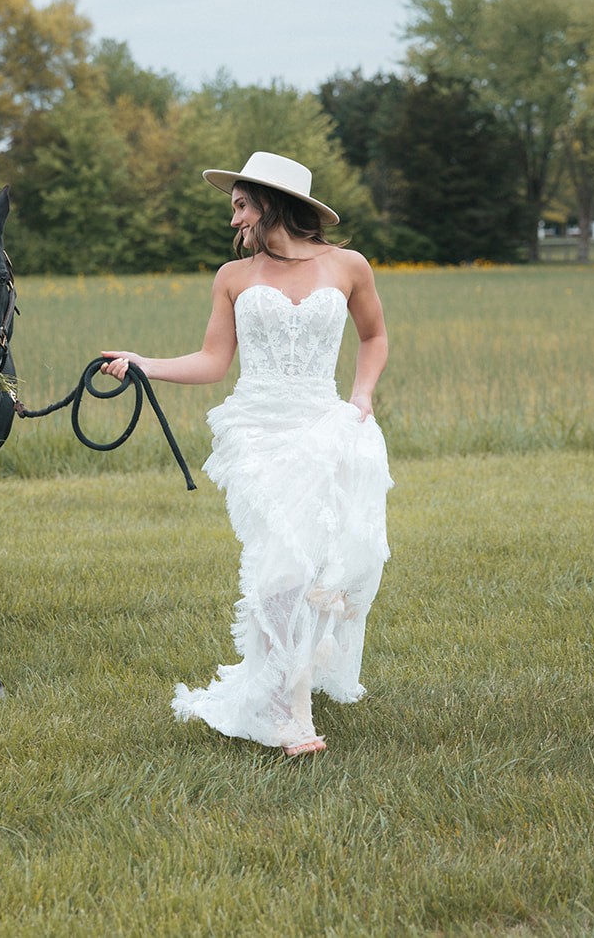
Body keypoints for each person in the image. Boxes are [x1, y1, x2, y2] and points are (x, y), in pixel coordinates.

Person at [102, 151, 392, 758]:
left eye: (240, 206)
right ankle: (293, 715)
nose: (233, 220)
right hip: (258, 430)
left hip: (324, 425)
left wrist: (361, 396)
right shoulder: (233, 278)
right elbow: (213, 361)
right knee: (277, 567)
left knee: (314, 569)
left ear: (271, 203)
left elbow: (374, 335)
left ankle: (283, 692)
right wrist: (141, 363)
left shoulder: (348, 267)